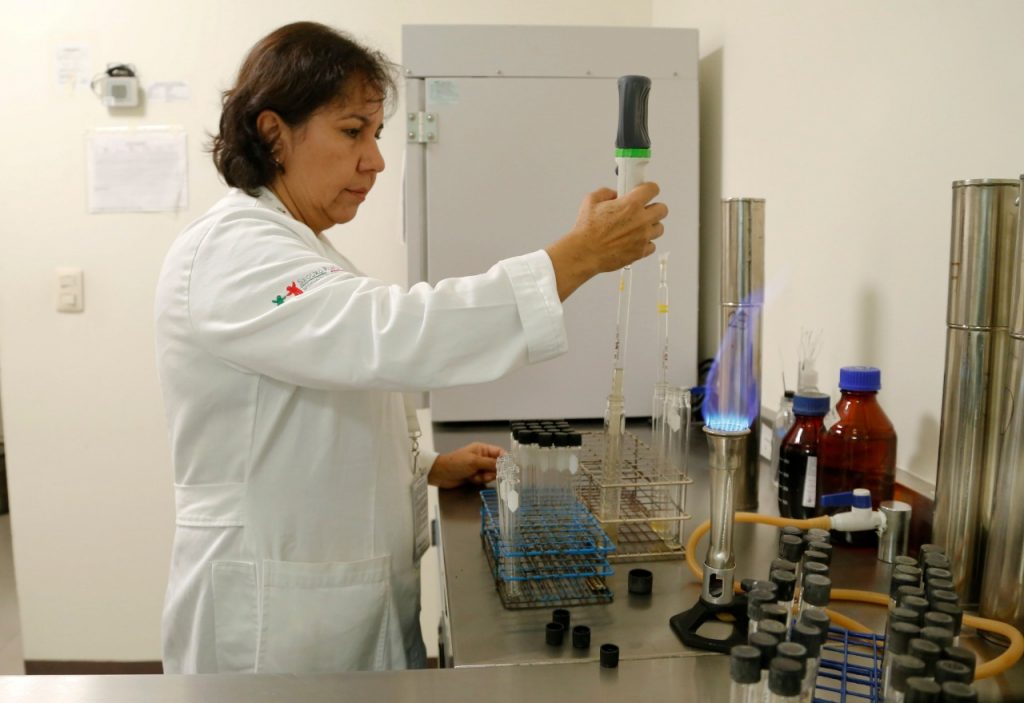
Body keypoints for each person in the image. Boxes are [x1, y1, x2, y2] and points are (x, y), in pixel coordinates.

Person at [155, 21, 667, 675]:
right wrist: (577, 257)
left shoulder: (298, 248)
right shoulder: (233, 252)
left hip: (330, 599)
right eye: (353, 131)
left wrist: (425, 465)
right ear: (274, 132)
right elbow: (393, 333)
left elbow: (321, 404)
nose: (375, 160)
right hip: (270, 623)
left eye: (376, 133)